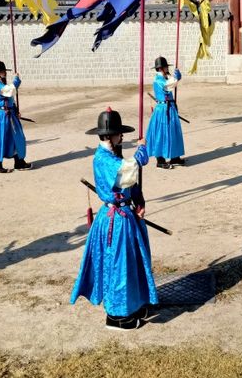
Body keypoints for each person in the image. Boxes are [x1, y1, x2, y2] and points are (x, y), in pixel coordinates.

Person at [71, 108, 157, 330]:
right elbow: (129, 170)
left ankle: (133, 304)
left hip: (126, 217)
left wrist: (139, 201)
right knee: (118, 265)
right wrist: (142, 149)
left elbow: (129, 183)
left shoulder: (113, 155)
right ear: (110, 136)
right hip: (114, 221)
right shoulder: (103, 159)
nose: (122, 136)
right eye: (119, 133)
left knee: (131, 263)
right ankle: (117, 316)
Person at [0, 61, 31, 173]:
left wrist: (15, 110)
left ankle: (19, 162)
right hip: (0, 116)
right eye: (2, 71)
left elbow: (11, 98)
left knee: (17, 137)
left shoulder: (2, 84)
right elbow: (10, 91)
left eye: (4, 71)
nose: (4, 73)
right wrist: (16, 80)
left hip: (10, 115)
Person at [146, 56, 184, 170]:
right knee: (161, 133)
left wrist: (176, 78)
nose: (167, 68)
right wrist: (176, 79)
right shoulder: (158, 80)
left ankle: (175, 156)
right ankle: (160, 160)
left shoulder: (165, 77)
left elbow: (171, 82)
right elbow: (167, 86)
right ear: (161, 68)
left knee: (173, 131)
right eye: (166, 66)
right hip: (163, 109)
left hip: (170, 107)